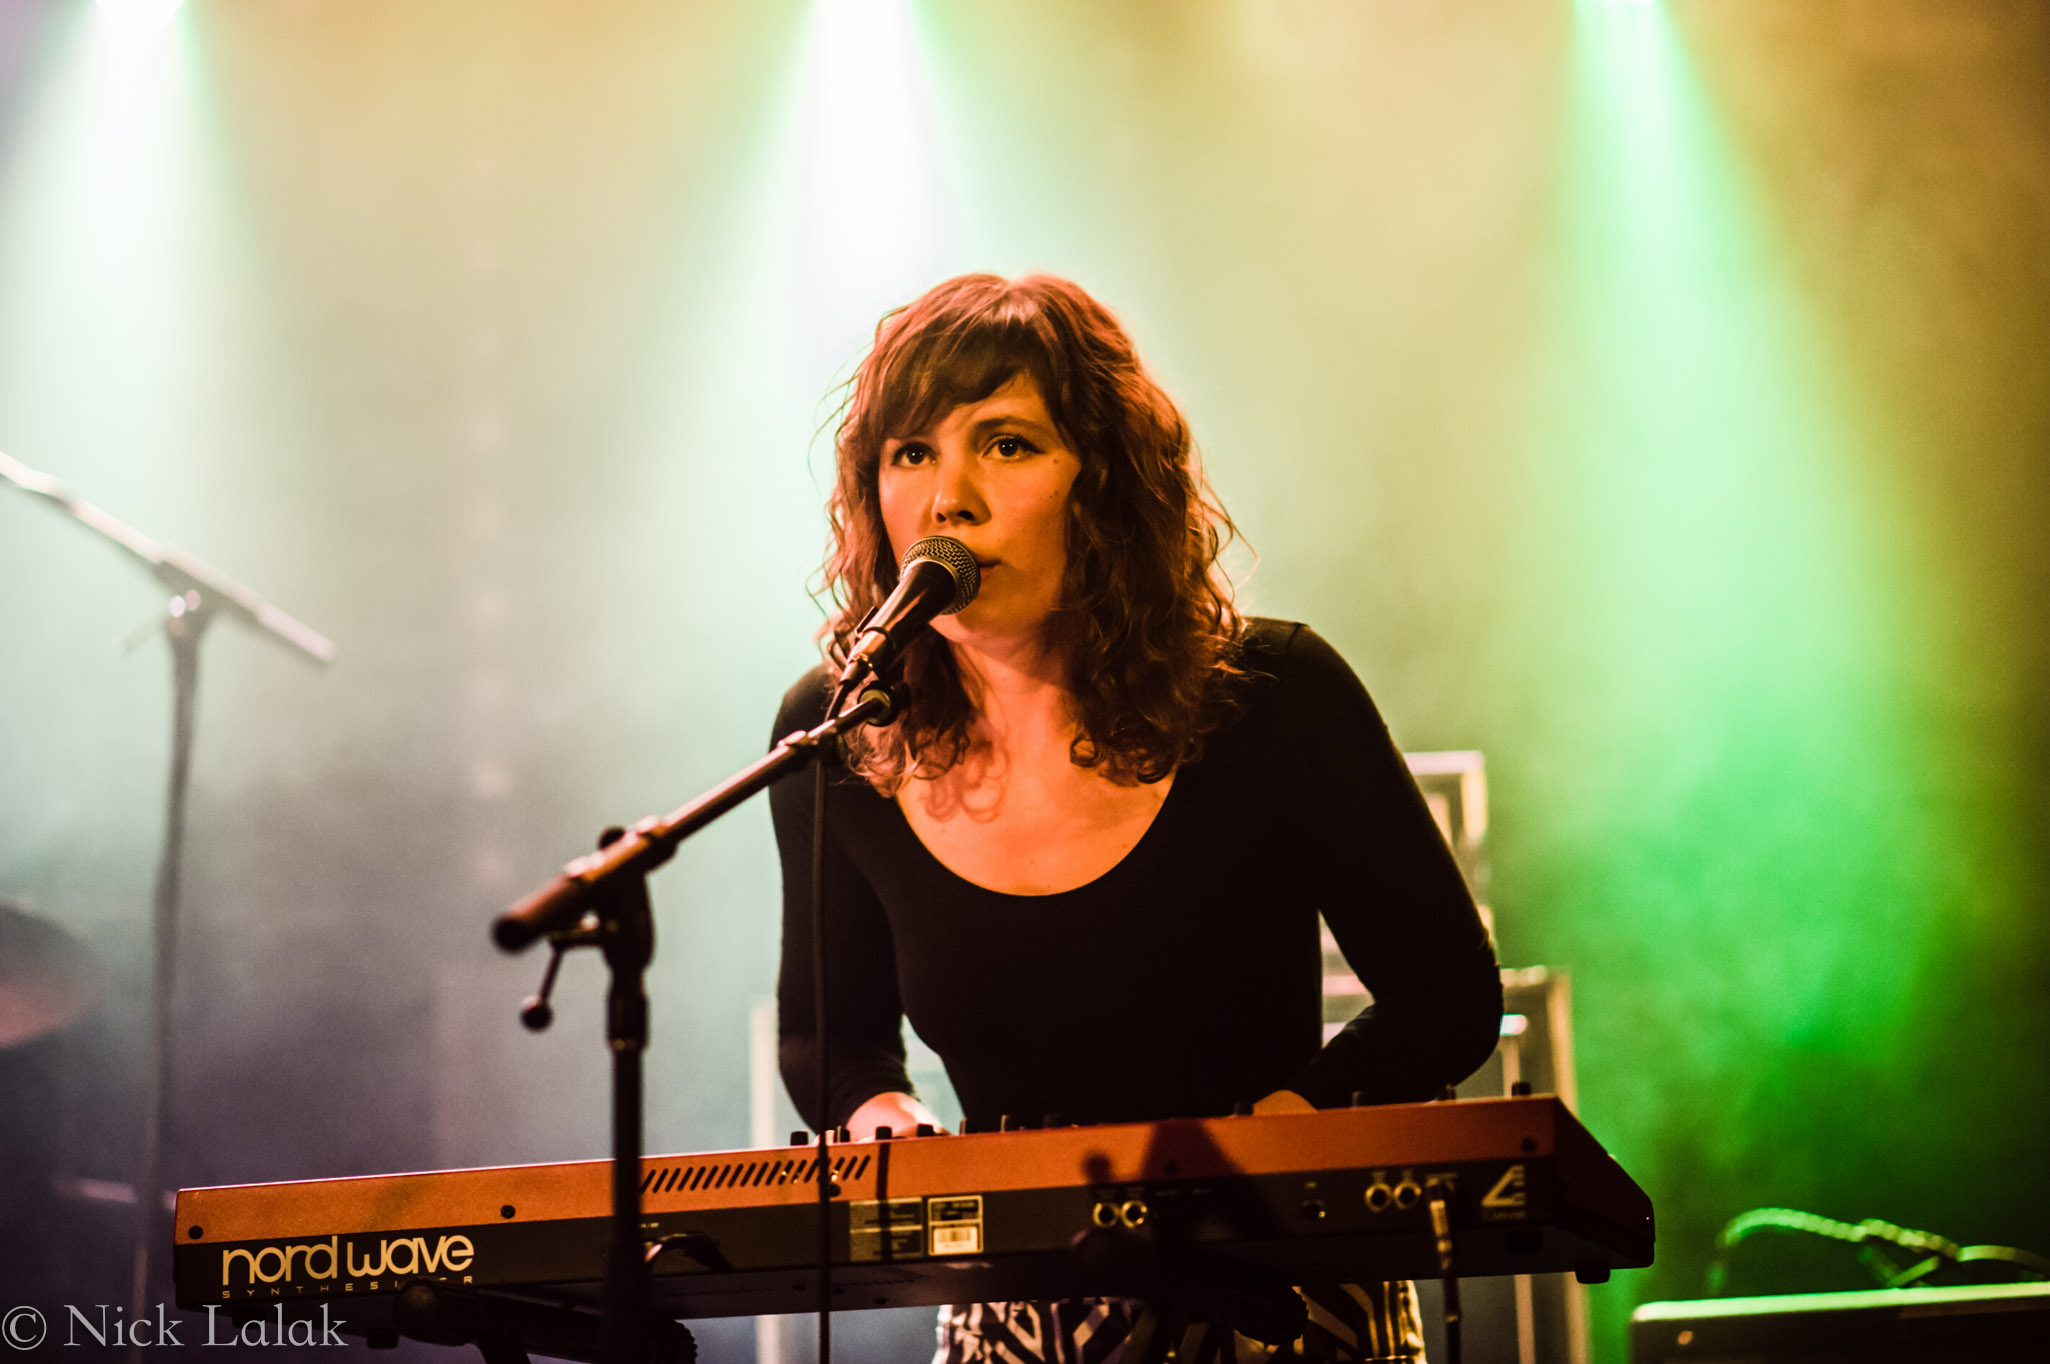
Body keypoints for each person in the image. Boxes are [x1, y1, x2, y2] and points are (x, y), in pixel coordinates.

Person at [770, 274, 1502, 1363]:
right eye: (910, 453)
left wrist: (1284, 1126)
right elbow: (828, 1033)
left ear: (1104, 483)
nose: (948, 498)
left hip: (1276, 1296)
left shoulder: (1271, 695)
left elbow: (1446, 997)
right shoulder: (841, 733)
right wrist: (883, 1119)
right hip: (1017, 1317)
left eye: (1007, 444)